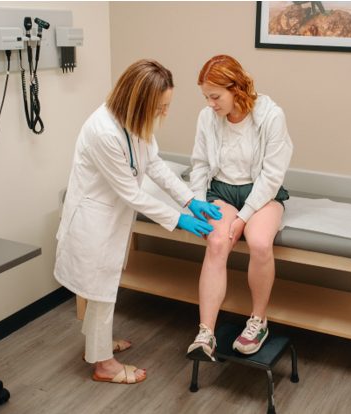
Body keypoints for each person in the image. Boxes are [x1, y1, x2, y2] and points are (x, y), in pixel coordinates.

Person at [54, 59, 221, 384]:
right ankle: (104, 364)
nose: (165, 113)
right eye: (161, 107)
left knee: (103, 287)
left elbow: (154, 165)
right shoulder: (103, 131)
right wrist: (179, 220)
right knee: (101, 289)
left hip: (110, 216)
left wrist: (190, 199)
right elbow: (132, 193)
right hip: (94, 219)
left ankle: (98, 343)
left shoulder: (133, 122)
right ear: (139, 102)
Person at [186, 55, 293, 361]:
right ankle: (205, 332)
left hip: (263, 193)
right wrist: (197, 201)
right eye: (206, 96)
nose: (210, 104)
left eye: (215, 96)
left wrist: (244, 217)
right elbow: (200, 164)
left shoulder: (271, 115)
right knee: (218, 241)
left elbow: (272, 176)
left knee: (259, 243)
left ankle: (258, 321)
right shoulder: (207, 117)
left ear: (236, 88)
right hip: (220, 189)